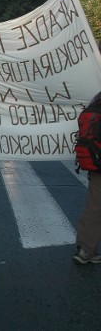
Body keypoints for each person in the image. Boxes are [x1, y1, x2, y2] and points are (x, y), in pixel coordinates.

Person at [73, 91, 101, 265]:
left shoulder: (94, 105)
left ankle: (83, 247)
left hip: (95, 163)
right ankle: (87, 251)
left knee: (94, 206)